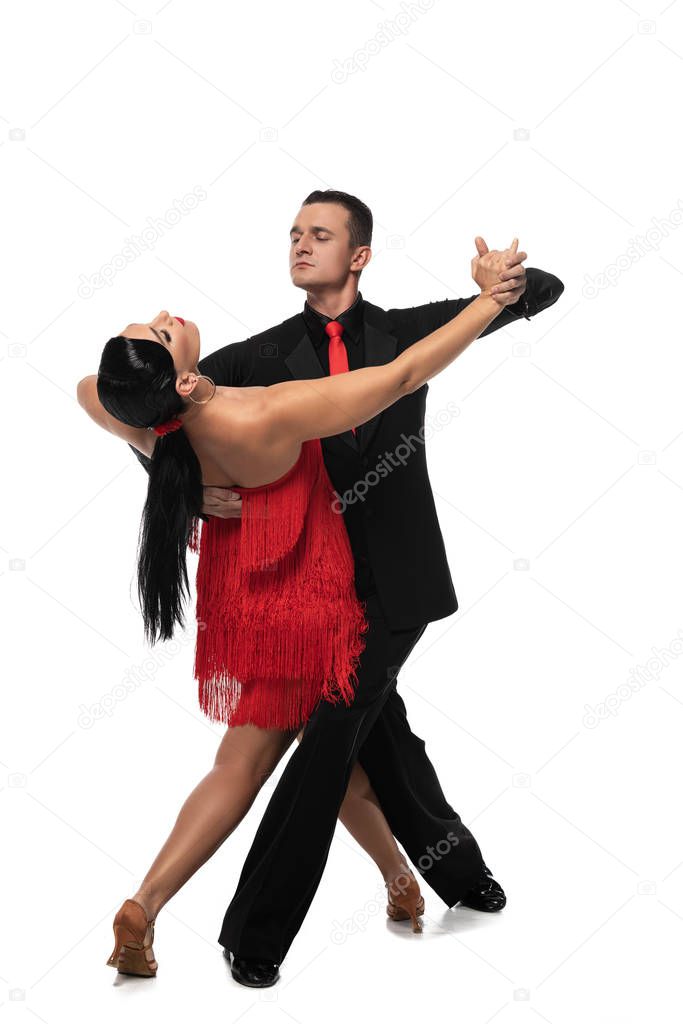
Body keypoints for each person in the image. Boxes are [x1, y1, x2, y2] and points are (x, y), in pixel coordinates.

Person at [116, 190, 564, 987]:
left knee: (325, 745)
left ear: (357, 255)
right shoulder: (259, 356)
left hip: (394, 584)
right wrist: (183, 491)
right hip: (300, 593)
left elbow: (544, 292)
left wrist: (503, 281)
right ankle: (451, 874)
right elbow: (151, 408)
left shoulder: (407, 330)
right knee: (377, 743)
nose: (299, 244)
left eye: (318, 235)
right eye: (292, 233)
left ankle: (254, 934)